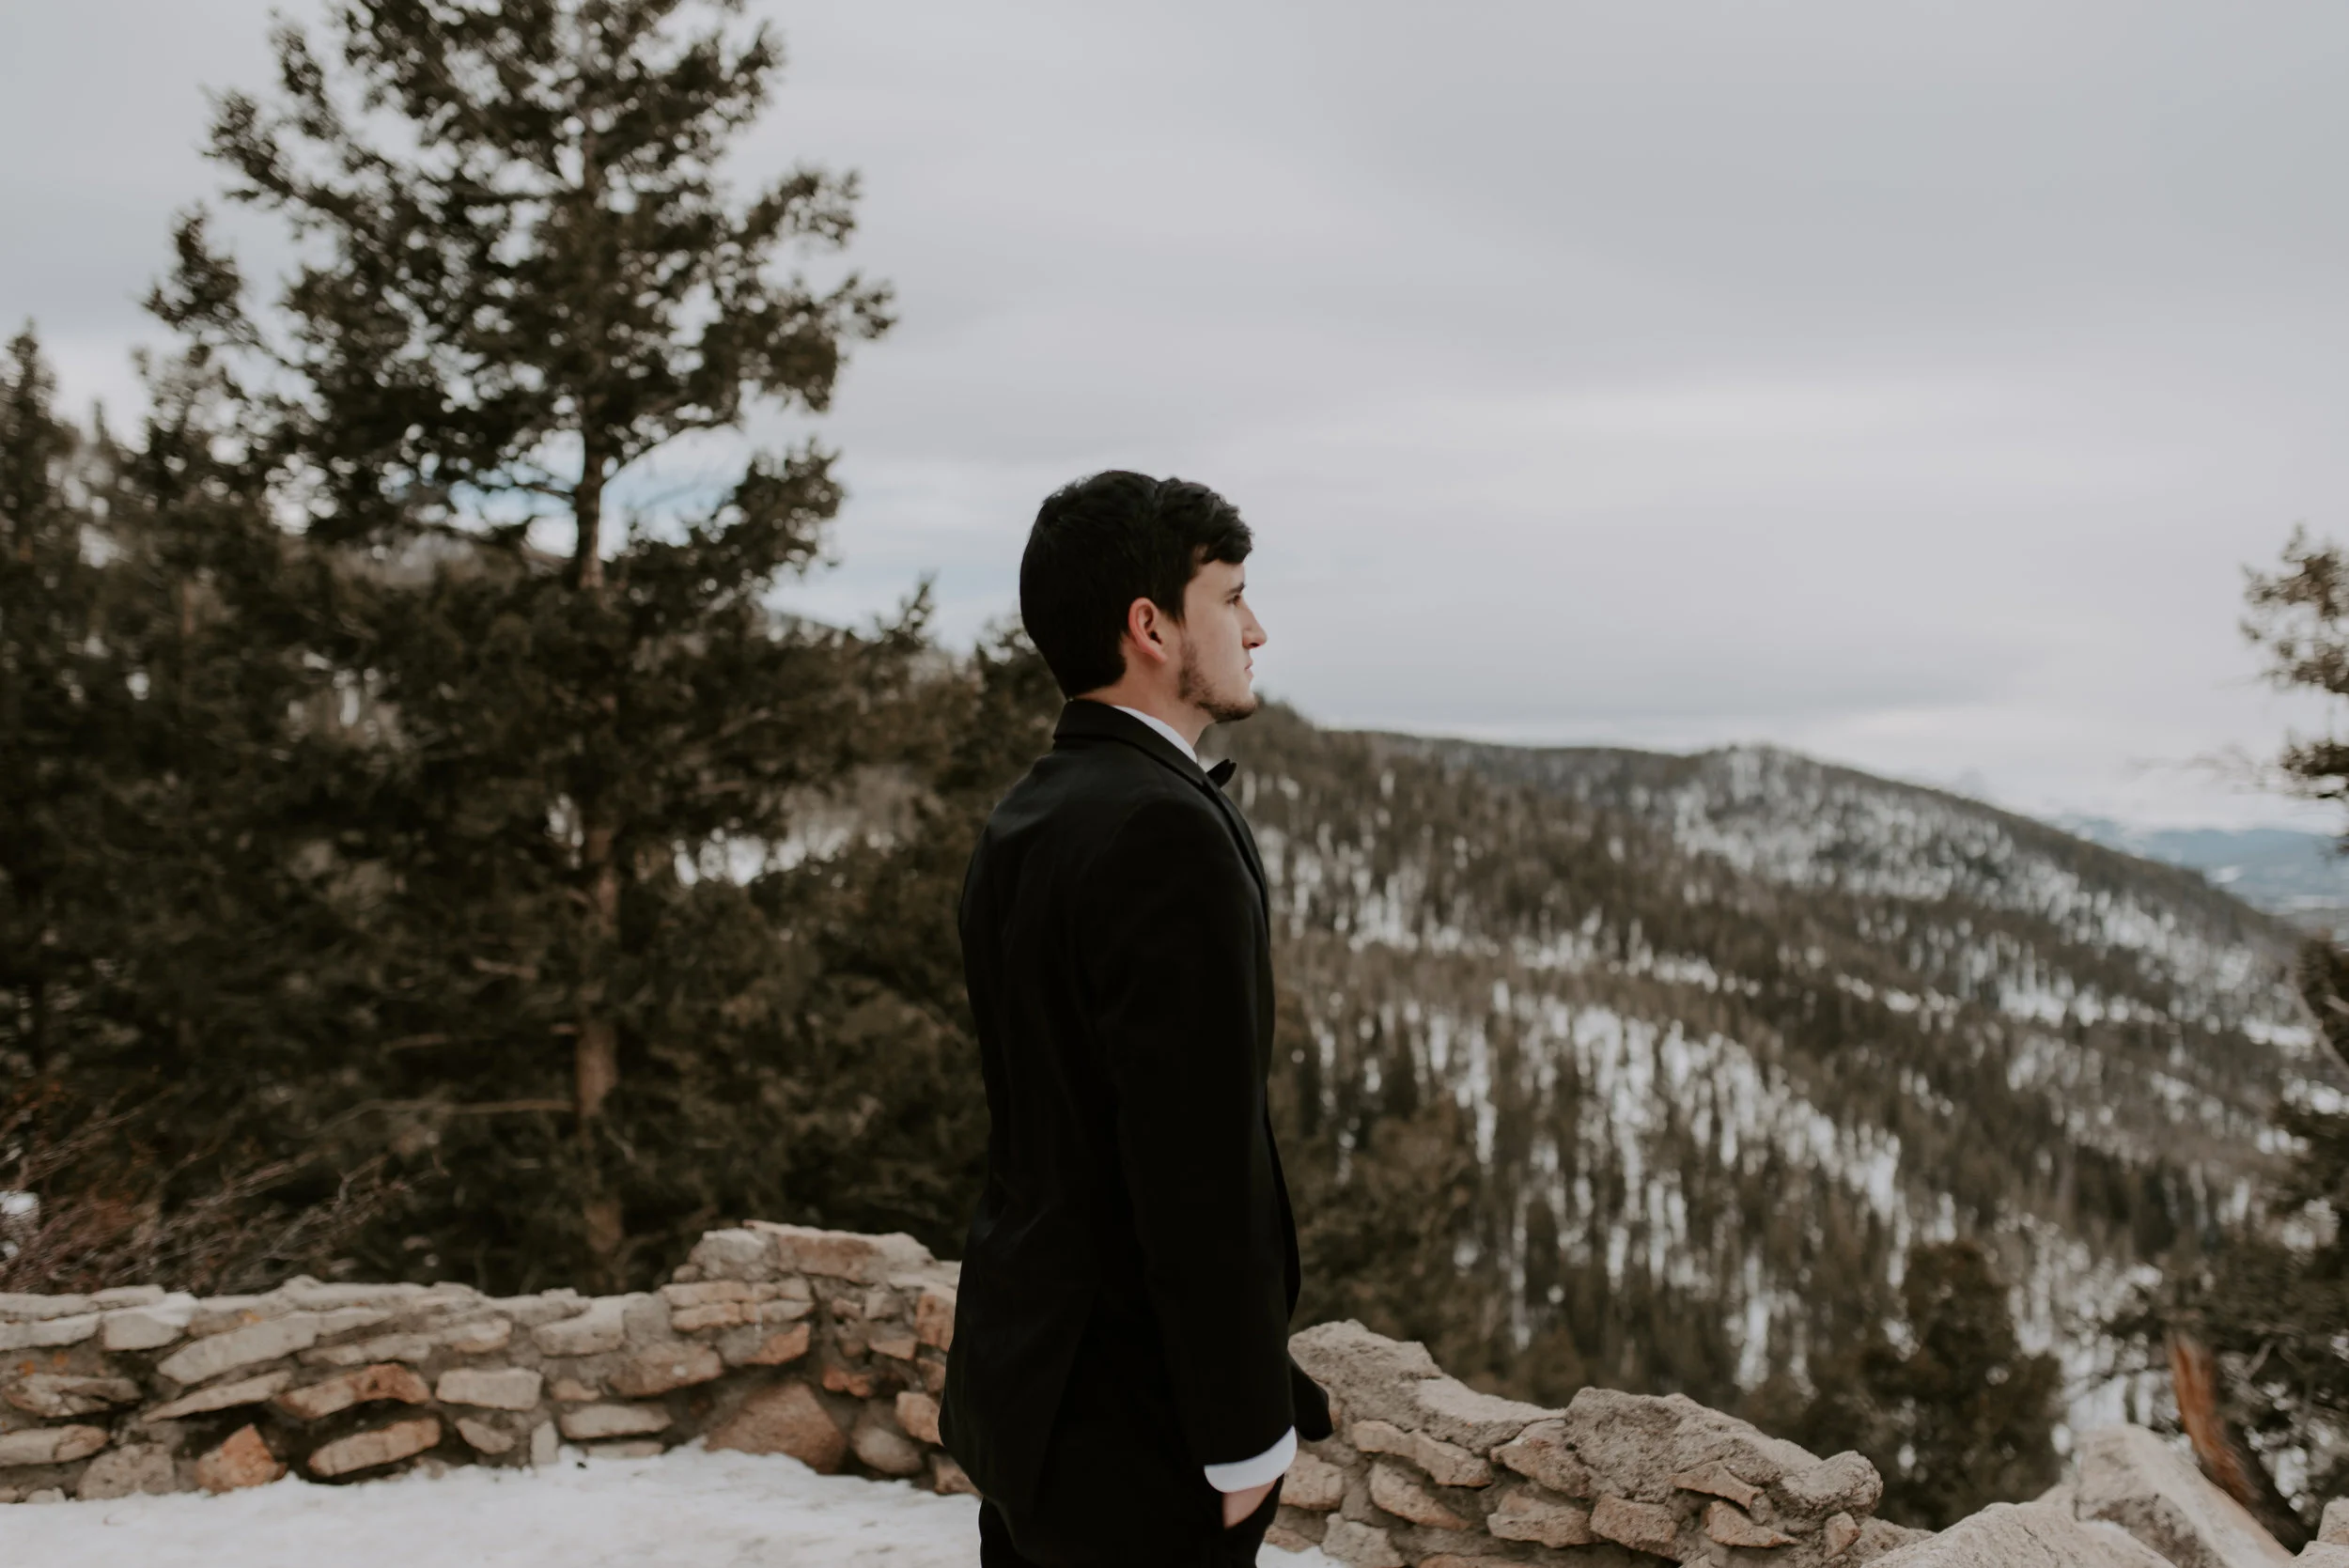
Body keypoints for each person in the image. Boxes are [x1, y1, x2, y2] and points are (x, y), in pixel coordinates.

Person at [941, 472, 1332, 1567]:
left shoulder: (1029, 812)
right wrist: (1243, 1429)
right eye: (1230, 598)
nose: (1254, 628)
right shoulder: (1165, 833)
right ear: (1149, 625)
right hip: (1135, 1418)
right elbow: (1193, 1164)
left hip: (1027, 1392)